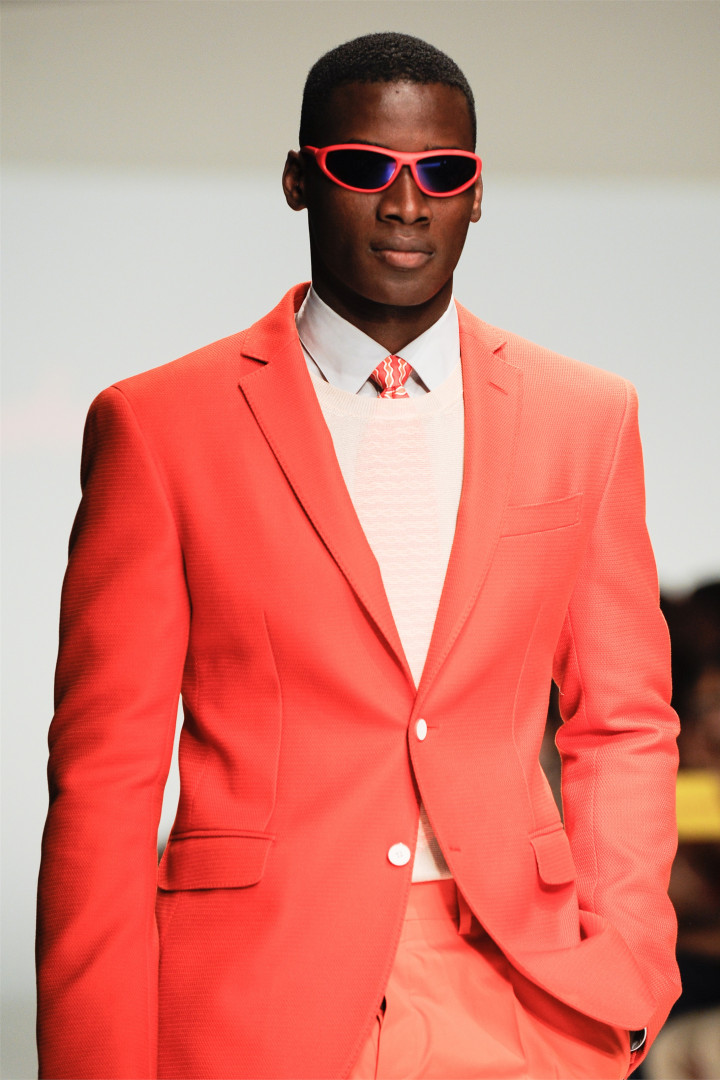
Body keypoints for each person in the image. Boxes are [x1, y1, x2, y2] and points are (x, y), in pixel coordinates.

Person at [36, 31, 681, 1080]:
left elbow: (624, 721)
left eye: (443, 173)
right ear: (299, 179)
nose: (406, 203)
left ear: (478, 193)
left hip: (523, 993)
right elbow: (106, 779)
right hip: (256, 999)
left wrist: (632, 970)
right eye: (365, 166)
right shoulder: (160, 427)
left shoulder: (585, 418)